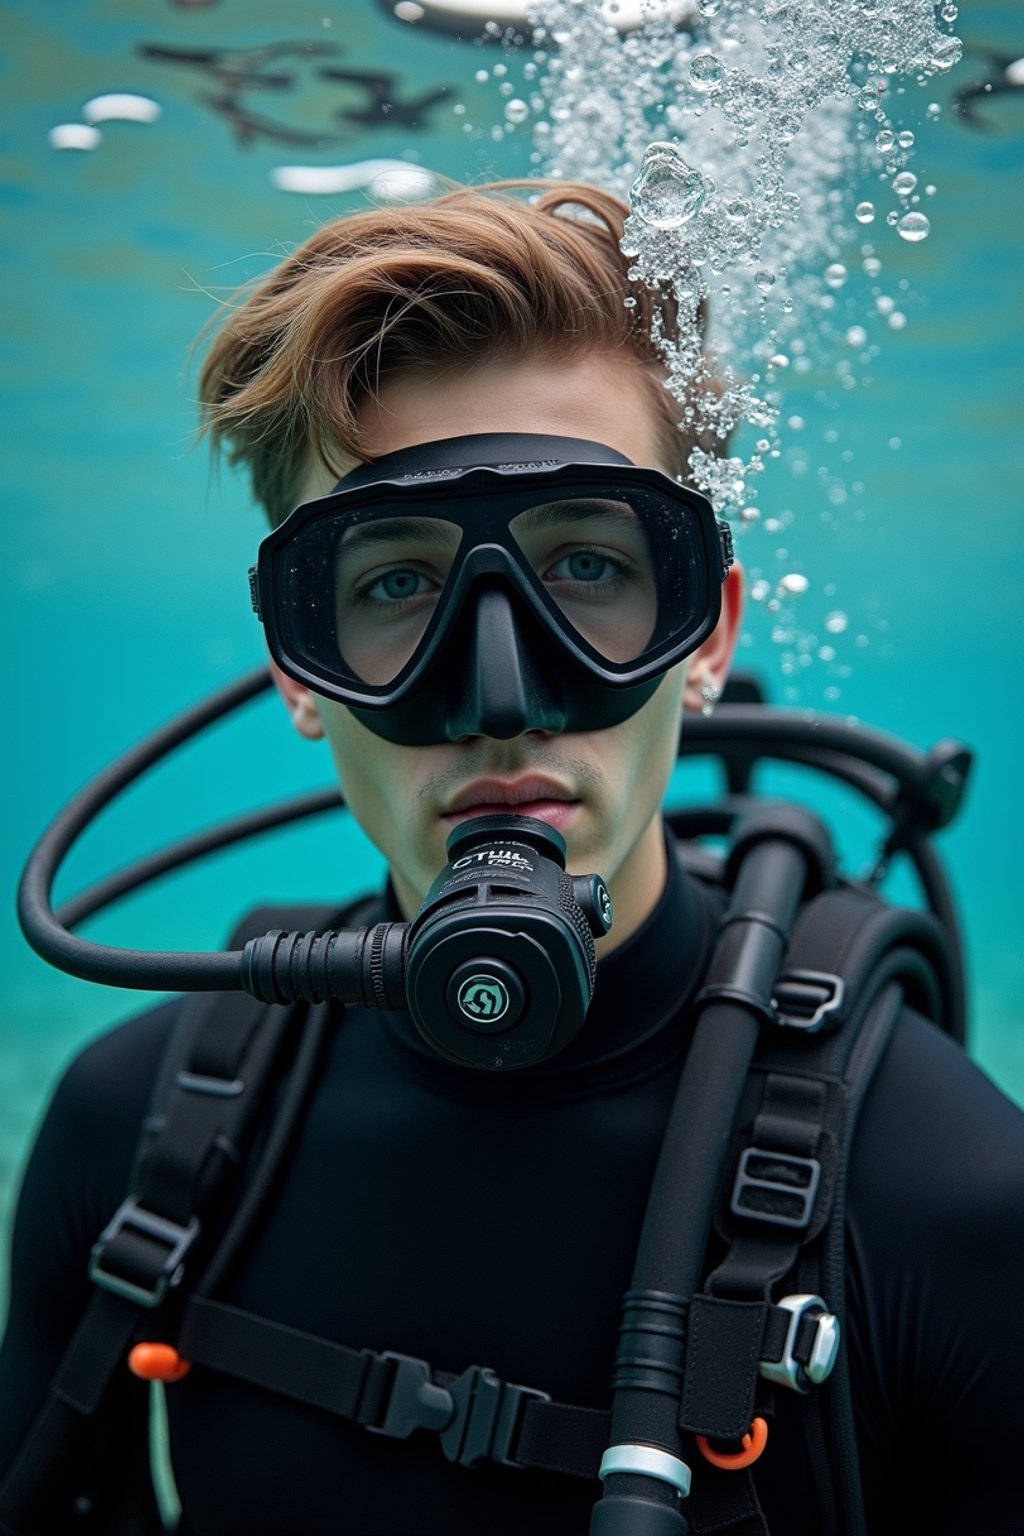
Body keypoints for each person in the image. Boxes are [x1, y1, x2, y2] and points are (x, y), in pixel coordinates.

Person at [1, 179, 1022, 1536]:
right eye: (395, 584)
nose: (501, 696)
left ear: (705, 631)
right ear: (297, 672)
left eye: (588, 567)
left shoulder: (948, 1194)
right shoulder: (135, 1125)